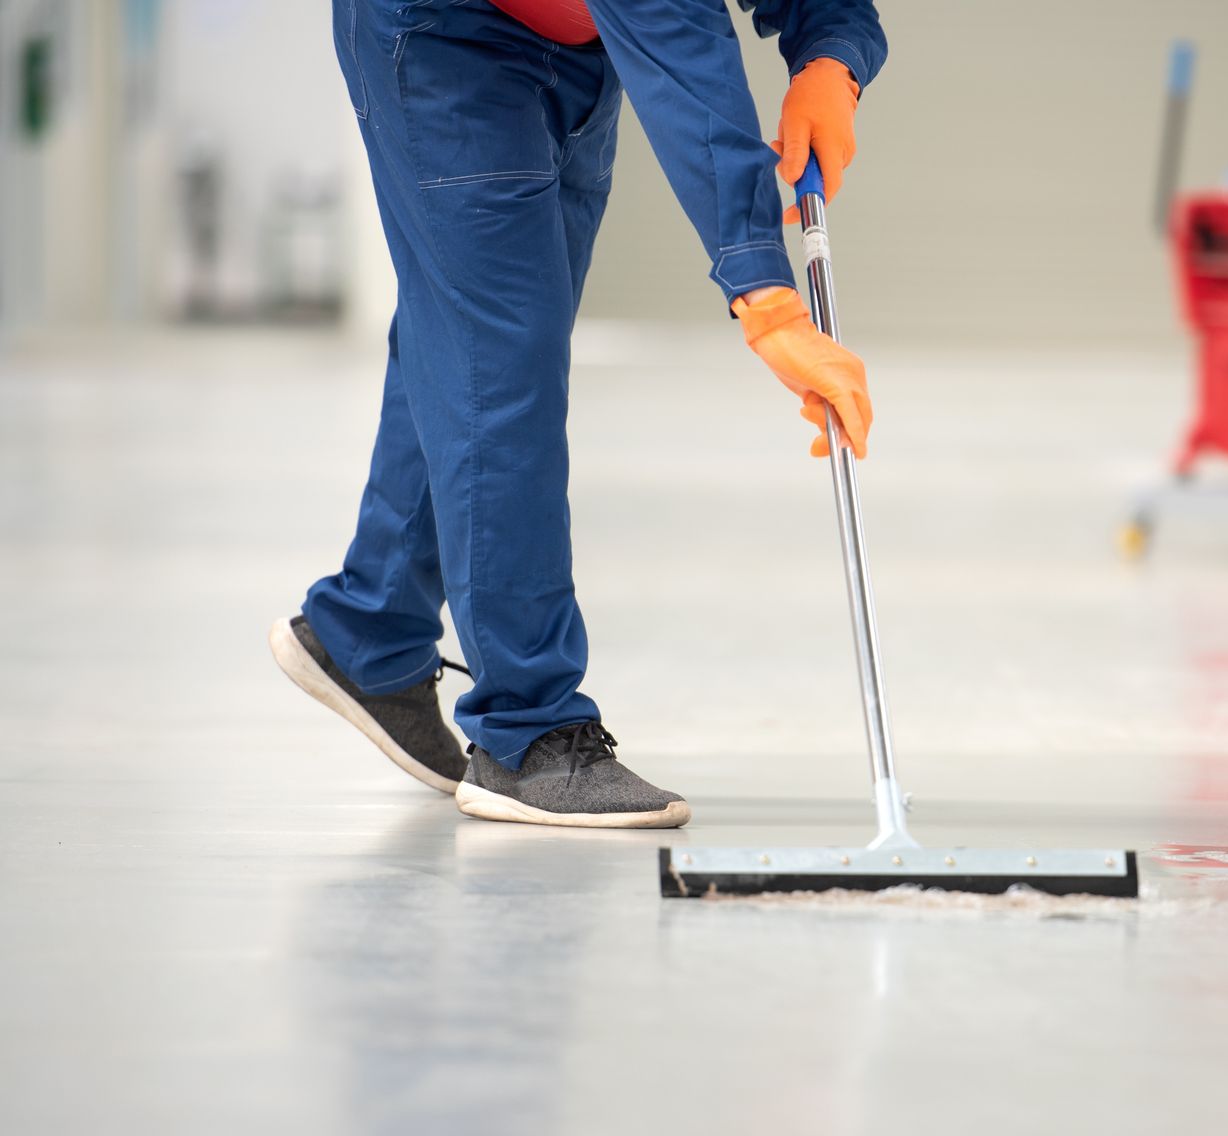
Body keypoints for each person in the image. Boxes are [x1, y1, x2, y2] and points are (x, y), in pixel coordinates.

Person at [270, 0, 884, 829]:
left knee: (477, 343)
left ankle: (370, 628)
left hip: (575, 47)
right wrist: (766, 301)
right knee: (504, 359)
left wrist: (833, 58)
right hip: (440, 36)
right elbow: (679, 50)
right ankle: (527, 734)